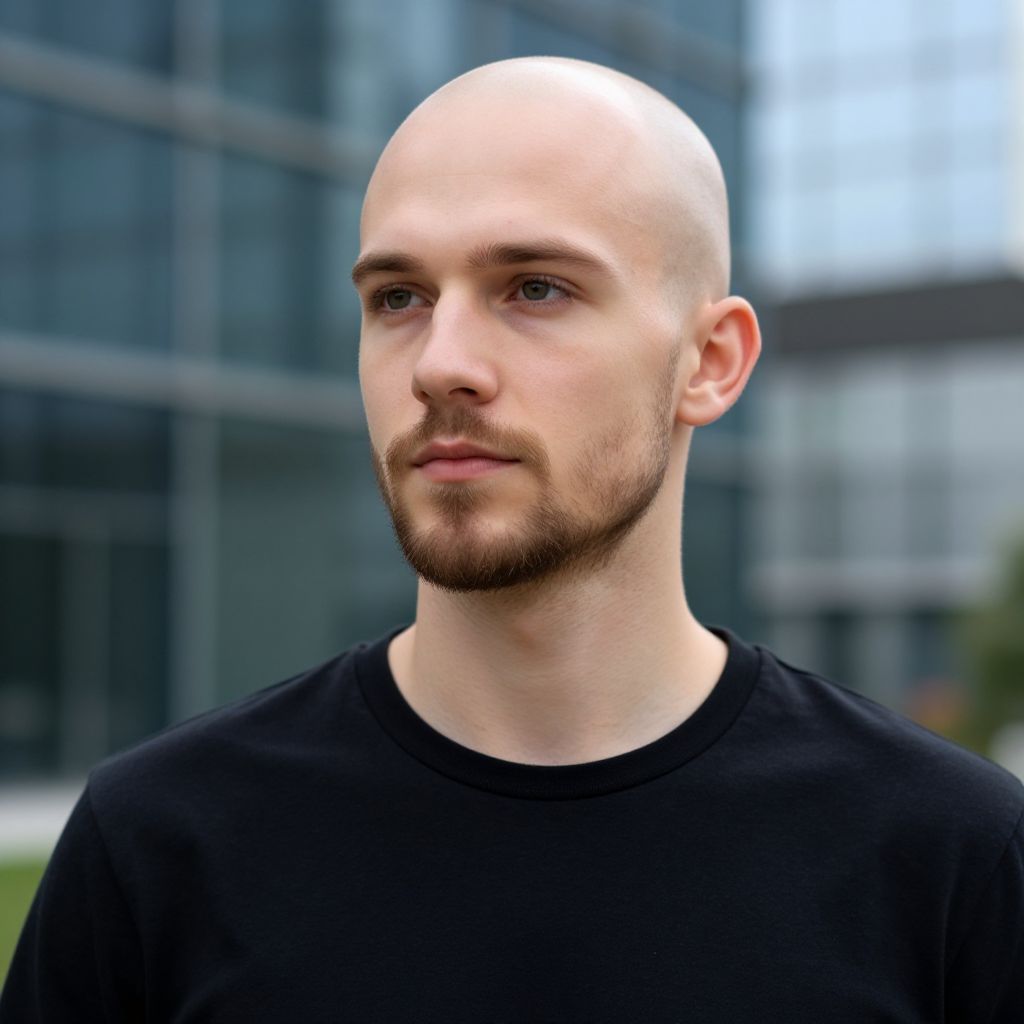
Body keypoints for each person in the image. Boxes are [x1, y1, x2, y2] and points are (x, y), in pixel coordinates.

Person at [2, 57, 1022, 1023]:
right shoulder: (157, 845)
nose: (439, 364)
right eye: (398, 298)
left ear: (710, 361)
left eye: (535, 287)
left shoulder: (951, 860)